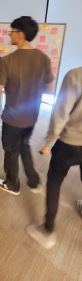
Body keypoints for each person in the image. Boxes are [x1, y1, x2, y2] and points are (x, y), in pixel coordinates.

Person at [0, 16, 54, 195]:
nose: (9, 34)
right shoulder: (43, 58)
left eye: (12, 31)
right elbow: (49, 89)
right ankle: (33, 180)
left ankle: (12, 184)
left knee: (11, 151)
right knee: (24, 144)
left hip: (12, 118)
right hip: (32, 116)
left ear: (20, 34)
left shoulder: (6, 61)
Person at [28, 67, 82, 249]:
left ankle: (48, 231)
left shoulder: (75, 76)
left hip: (69, 143)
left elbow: (60, 113)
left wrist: (49, 143)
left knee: (54, 183)